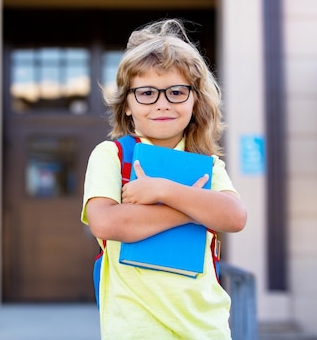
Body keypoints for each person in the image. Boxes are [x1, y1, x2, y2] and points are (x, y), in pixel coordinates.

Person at [81, 19, 247, 340]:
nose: (162, 103)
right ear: (126, 104)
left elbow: (235, 216)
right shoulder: (111, 155)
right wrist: (196, 208)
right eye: (146, 93)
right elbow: (106, 224)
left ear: (194, 100)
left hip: (205, 327)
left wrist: (163, 190)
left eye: (176, 92)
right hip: (135, 328)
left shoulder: (208, 166)